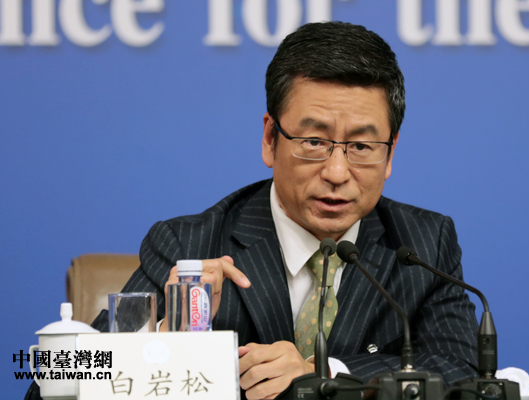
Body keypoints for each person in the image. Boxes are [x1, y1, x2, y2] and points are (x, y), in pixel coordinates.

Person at [25, 21, 479, 400]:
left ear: (390, 152)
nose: (337, 172)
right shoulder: (188, 245)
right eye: (314, 142)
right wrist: (165, 337)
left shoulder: (422, 244)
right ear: (269, 139)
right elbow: (56, 384)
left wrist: (324, 373)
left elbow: (465, 373)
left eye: (361, 146)